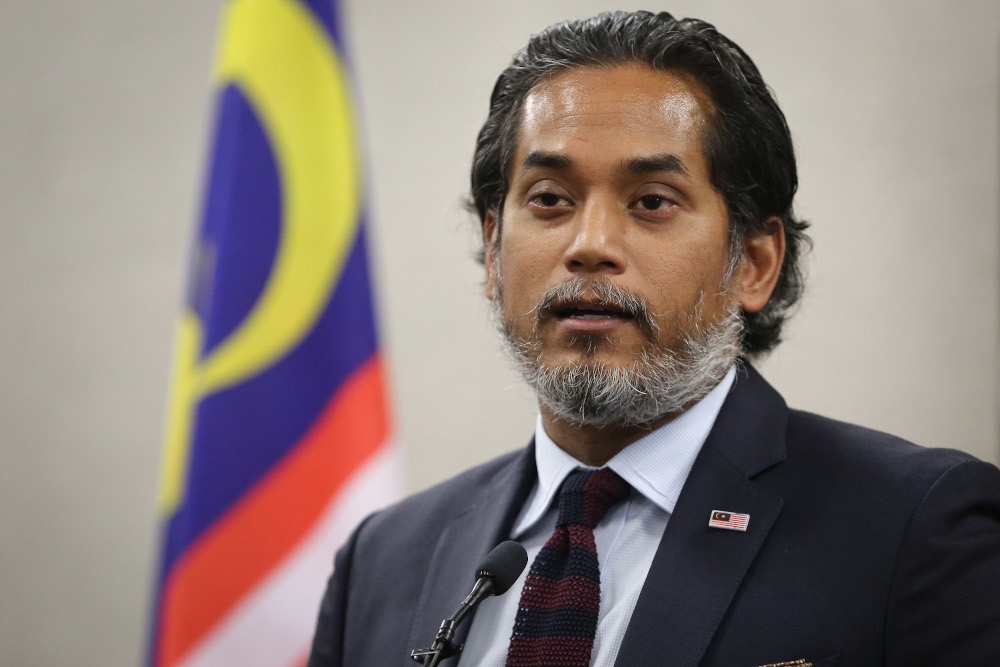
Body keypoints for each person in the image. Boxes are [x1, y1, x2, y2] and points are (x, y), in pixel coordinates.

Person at [308, 11, 1000, 667]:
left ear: (754, 264)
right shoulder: (384, 558)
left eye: (652, 202)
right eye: (550, 198)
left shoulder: (914, 529)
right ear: (493, 249)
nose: (590, 245)